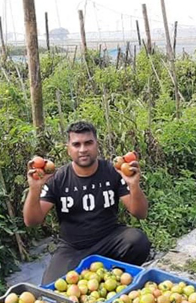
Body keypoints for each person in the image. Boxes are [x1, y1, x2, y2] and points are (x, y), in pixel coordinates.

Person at [23, 121, 151, 284]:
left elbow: (140, 213)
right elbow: (32, 221)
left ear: (97, 144)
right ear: (68, 148)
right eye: (76, 144)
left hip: (109, 241)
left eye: (88, 143)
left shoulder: (113, 171)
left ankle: (116, 279)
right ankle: (96, 277)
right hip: (72, 248)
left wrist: (134, 185)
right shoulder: (58, 178)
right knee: (52, 288)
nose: (83, 149)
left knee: (137, 241)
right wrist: (34, 189)